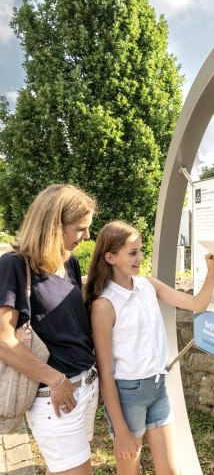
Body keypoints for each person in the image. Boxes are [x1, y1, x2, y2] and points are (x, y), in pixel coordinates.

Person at [84, 220, 214, 474]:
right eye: (133, 252)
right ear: (110, 257)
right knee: (129, 471)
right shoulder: (104, 304)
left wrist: (212, 271)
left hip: (158, 388)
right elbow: (105, 372)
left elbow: (196, 303)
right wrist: (121, 429)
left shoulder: (149, 286)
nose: (140, 257)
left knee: (171, 470)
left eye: (141, 250)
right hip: (128, 394)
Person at [0, 184, 99, 475]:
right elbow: (5, 341)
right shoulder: (14, 266)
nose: (87, 236)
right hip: (54, 397)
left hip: (87, 388)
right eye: (80, 228)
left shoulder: (70, 264)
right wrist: (56, 380)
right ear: (53, 226)